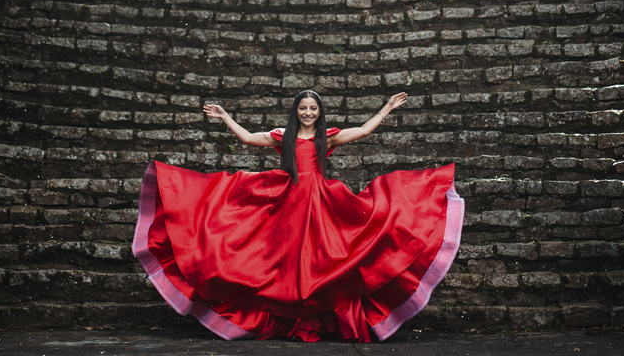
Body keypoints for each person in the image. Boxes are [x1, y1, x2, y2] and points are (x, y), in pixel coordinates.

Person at [132, 89, 464, 342]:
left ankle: (320, 317)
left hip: (320, 201)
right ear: (297, 112)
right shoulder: (282, 137)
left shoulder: (326, 136)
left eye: (312, 109)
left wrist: (387, 109)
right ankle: (286, 317)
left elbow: (362, 131)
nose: (307, 112)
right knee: (285, 263)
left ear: (319, 113)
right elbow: (248, 138)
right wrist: (226, 117)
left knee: (322, 260)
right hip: (288, 201)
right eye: (303, 108)